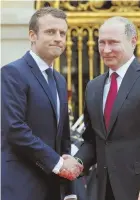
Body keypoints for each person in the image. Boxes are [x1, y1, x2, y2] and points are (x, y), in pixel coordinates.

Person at [73, 16, 140, 200]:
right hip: (103, 190)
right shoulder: (93, 87)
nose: (106, 49)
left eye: (113, 43)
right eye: (102, 43)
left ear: (133, 41)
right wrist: (76, 162)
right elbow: (93, 140)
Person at [1, 7, 83, 200]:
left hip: (54, 187)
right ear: (32, 35)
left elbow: (63, 136)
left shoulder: (60, 81)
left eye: (62, 33)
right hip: (22, 185)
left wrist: (69, 188)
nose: (58, 38)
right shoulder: (12, 73)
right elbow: (15, 129)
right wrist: (57, 164)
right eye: (50, 32)